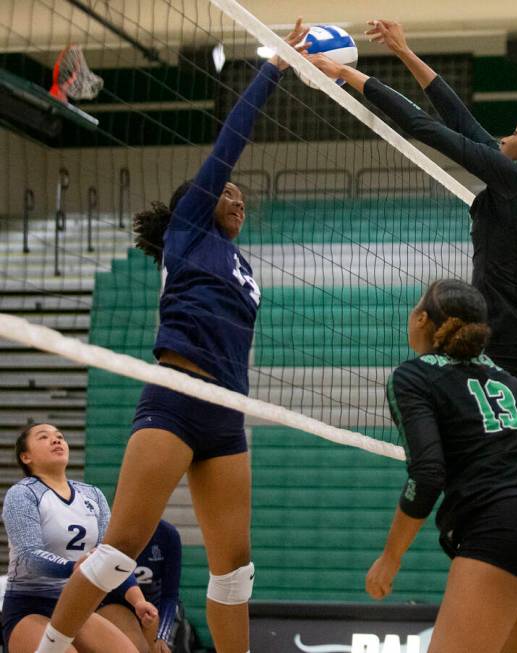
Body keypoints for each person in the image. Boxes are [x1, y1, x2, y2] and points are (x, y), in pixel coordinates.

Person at [35, 21, 312, 653]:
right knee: (119, 550)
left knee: (235, 569)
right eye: (229, 194)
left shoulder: (241, 265)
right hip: (177, 392)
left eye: (241, 196)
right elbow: (228, 149)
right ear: (203, 202)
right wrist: (272, 69)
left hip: (227, 411)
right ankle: (48, 648)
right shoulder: (190, 231)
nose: (238, 200)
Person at [307, 21, 517, 411]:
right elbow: (460, 119)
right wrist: (403, 51)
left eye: (515, 132)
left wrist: (345, 73)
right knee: (514, 468)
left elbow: (421, 125)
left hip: (515, 353)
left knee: (474, 447)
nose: (503, 138)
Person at [366, 278, 517, 653]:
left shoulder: (413, 376)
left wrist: (390, 558)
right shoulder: (509, 381)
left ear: (421, 319)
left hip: (503, 527)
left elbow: (428, 472)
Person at [2, 423, 158, 653]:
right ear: (26, 456)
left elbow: (111, 557)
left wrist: (138, 601)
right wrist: (72, 566)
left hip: (76, 604)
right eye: (43, 437)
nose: (56, 440)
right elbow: (28, 556)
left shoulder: (92, 494)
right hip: (30, 605)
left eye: (60, 436)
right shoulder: (22, 493)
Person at [98, 520, 182, 653]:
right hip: (116, 602)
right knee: (136, 647)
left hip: (152, 607)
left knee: (158, 647)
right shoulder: (111, 529)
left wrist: (161, 636)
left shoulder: (168, 534)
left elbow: (170, 595)